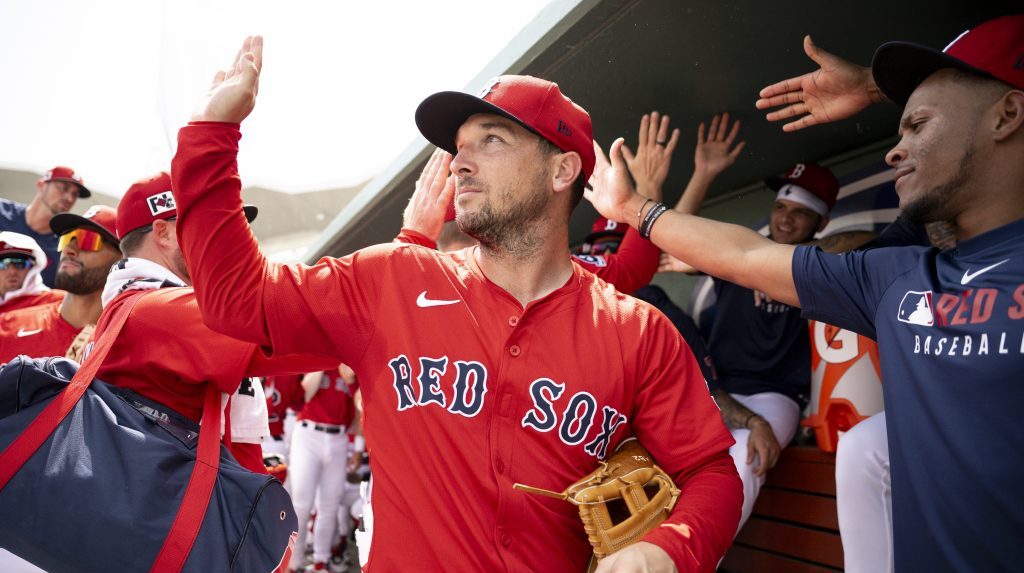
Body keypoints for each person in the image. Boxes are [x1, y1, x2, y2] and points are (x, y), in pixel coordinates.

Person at [171, 36, 741, 573]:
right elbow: (236, 300)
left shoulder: (638, 331)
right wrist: (211, 133)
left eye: (491, 140)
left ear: (562, 169)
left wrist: (668, 549)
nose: (461, 162)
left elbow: (711, 471)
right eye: (459, 148)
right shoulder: (393, 278)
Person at [590, 15, 1024, 571]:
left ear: (1008, 115)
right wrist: (632, 210)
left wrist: (874, 86)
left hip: (771, 402)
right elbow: (745, 255)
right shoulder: (894, 276)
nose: (896, 150)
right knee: (866, 447)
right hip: (730, 395)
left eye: (917, 124)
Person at [88, 171, 331, 477]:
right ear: (163, 234)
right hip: (198, 512)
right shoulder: (159, 310)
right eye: (208, 227)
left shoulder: (136, 304)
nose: (223, 242)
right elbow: (302, 335)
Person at [0, 206, 121, 363]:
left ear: (122, 258)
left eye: (88, 239)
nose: (69, 249)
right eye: (67, 238)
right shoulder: (6, 328)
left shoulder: (129, 347)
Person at [287, 364, 361, 573]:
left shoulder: (349, 365)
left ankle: (322, 560)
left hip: (338, 438)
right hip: (309, 434)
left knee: (330, 505)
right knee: (301, 505)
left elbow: (359, 411)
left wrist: (352, 381)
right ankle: (294, 563)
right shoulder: (318, 359)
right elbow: (304, 396)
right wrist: (323, 362)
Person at [0, 166, 91, 287]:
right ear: (41, 185)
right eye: (64, 188)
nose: (69, 198)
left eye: (75, 194)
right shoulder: (2, 212)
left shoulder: (65, 248)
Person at [0, 232, 64, 314]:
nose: (12, 272)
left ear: (33, 268)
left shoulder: (59, 303)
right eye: (2, 264)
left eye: (20, 264)